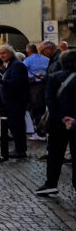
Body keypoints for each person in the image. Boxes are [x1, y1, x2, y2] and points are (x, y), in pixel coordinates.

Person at [35, 49, 76, 196]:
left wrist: (62, 118)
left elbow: (50, 102)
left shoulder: (53, 78)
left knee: (55, 155)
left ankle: (51, 183)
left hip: (57, 123)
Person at [0, 43, 29, 159]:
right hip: (12, 102)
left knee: (18, 126)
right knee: (15, 126)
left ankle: (20, 150)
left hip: (16, 101)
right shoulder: (11, 65)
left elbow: (17, 83)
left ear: (11, 52)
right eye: (0, 54)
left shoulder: (17, 65)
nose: (1, 56)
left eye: (4, 53)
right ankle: (18, 148)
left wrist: (1, 81)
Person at [24, 42, 50, 140]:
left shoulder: (28, 60)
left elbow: (22, 71)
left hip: (34, 86)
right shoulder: (47, 59)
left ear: (28, 51)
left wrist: (31, 77)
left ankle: (40, 133)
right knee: (44, 109)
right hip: (46, 85)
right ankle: (44, 130)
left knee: (37, 109)